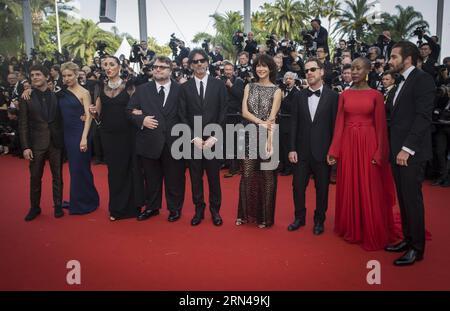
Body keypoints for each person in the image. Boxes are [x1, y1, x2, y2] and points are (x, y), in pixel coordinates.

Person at [327, 57, 398, 251]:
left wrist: (380, 152)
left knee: (370, 186)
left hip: (369, 144)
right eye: (352, 69)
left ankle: (370, 226)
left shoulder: (375, 95)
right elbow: (339, 124)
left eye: (359, 68)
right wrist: (334, 150)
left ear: (367, 71)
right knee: (350, 184)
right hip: (349, 145)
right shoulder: (345, 95)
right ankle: (352, 226)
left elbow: (381, 128)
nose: (355, 72)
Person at [385, 41, 435, 265]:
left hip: (410, 153)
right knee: (404, 200)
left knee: (412, 200)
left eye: (394, 57)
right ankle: (407, 239)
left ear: (408, 58)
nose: (390, 61)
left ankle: (417, 248)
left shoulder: (422, 79)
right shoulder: (398, 84)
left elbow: (423, 117)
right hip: (397, 151)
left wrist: (407, 149)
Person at [127, 56, 185, 222]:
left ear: (170, 70)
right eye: (155, 67)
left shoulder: (180, 89)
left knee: (175, 179)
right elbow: (129, 110)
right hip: (149, 141)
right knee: (151, 179)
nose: (158, 69)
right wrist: (141, 120)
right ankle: (152, 207)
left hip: (174, 141)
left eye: (163, 67)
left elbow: (186, 114)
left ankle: (174, 209)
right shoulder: (143, 89)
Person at [288, 58, 338, 234]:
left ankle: (319, 221)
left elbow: (335, 127)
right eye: (306, 70)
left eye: (313, 69)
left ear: (322, 72)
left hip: (323, 152)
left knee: (322, 188)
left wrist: (333, 151)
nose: (309, 73)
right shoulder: (299, 95)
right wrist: (292, 148)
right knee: (298, 186)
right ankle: (299, 218)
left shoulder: (333, 97)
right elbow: (293, 124)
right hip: (301, 151)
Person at [178, 49, 228, 226]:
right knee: (195, 178)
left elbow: (224, 112)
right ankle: (199, 210)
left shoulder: (219, 85)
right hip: (194, 142)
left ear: (207, 63)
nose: (199, 64)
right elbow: (182, 115)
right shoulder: (184, 88)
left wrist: (215, 136)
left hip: (214, 141)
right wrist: (193, 138)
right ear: (190, 65)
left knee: (214, 178)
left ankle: (215, 211)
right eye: (195, 61)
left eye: (202, 61)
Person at [89, 56, 142, 221]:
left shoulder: (130, 87)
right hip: (108, 135)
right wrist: (93, 113)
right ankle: (117, 209)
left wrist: (139, 112)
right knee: (114, 172)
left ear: (119, 67)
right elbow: (98, 114)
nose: (108, 67)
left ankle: (133, 208)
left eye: (111, 64)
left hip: (128, 134)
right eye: (105, 65)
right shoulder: (99, 87)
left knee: (130, 168)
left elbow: (137, 107)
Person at [236, 54, 282, 228]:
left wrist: (270, 141)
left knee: (267, 177)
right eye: (257, 66)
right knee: (247, 175)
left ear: (271, 68)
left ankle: (265, 218)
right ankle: (244, 215)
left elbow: (272, 118)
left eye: (264, 66)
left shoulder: (277, 90)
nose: (260, 69)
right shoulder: (249, 86)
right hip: (250, 134)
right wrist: (261, 123)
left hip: (269, 135)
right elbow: (245, 112)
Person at [19, 65, 65, 221]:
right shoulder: (26, 97)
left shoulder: (56, 95)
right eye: (32, 75)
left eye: (38, 74)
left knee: (57, 176)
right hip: (36, 144)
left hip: (55, 142)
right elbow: (23, 124)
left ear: (47, 77)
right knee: (35, 177)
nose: (35, 77)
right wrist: (25, 147)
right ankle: (35, 207)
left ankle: (58, 206)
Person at [59, 62, 99, 214]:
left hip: (80, 134)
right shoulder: (62, 92)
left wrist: (83, 138)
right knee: (74, 169)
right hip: (67, 134)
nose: (67, 78)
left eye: (70, 75)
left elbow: (88, 117)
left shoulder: (84, 92)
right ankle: (81, 199)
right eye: (64, 76)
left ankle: (85, 203)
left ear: (77, 75)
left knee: (80, 169)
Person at [278, 71, 299, 176]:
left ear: (294, 81)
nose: (288, 80)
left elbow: (291, 107)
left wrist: (282, 98)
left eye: (290, 78)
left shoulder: (296, 92)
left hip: (289, 122)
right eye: (286, 78)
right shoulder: (282, 90)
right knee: (281, 146)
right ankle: (282, 166)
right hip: (281, 122)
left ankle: (288, 168)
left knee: (287, 146)